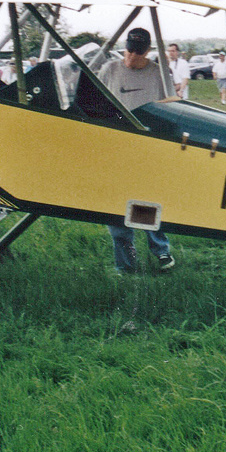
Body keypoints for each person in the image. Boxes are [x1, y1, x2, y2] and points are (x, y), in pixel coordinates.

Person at [97, 28, 174, 273]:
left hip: (147, 149)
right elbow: (96, 103)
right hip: (115, 148)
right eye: (129, 50)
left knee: (147, 200)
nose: (131, 56)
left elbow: (171, 109)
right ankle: (126, 263)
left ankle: (161, 251)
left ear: (148, 52)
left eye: (138, 52)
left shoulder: (159, 74)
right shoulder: (110, 69)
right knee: (116, 207)